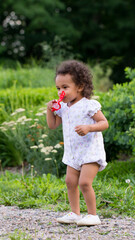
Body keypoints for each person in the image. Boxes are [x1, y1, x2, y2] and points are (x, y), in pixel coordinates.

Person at [46, 60, 109, 226]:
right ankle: (75, 213)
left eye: (65, 87)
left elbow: (104, 123)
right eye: (58, 88)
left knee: (84, 183)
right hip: (73, 153)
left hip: (90, 152)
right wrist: (49, 110)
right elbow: (52, 125)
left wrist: (89, 127)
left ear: (80, 86)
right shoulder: (63, 107)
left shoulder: (88, 105)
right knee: (70, 182)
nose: (61, 92)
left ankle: (93, 215)